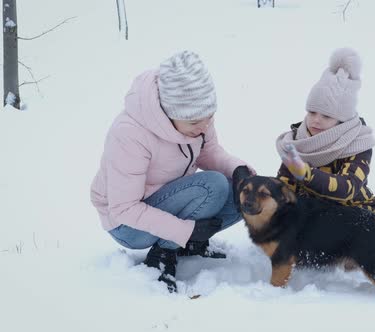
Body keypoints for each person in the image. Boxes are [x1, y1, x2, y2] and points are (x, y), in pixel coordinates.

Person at [90, 50, 253, 293]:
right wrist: (185, 231)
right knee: (213, 186)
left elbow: (208, 152)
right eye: (195, 122)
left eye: (209, 117)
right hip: (127, 226)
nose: (204, 126)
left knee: (244, 197)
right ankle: (165, 252)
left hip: (173, 201)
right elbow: (123, 208)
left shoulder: (197, 117)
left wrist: (240, 170)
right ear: (169, 113)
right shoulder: (129, 133)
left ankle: (186, 245)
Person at [275, 48, 375, 215]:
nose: (316, 120)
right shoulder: (297, 141)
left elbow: (348, 188)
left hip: (356, 214)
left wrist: (306, 174)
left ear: (341, 121)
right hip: (313, 214)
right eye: (312, 112)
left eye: (326, 116)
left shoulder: (358, 144)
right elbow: (285, 188)